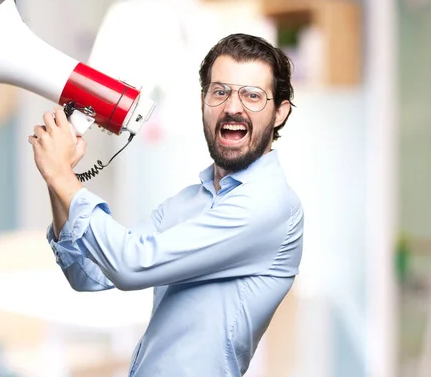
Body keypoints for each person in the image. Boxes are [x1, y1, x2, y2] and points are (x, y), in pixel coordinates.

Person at [28, 33, 304, 376]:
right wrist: (59, 176)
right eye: (220, 92)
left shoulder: (269, 205)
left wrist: (61, 177)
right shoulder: (189, 202)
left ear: (280, 113)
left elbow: (130, 265)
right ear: (204, 102)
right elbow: (88, 274)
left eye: (252, 96)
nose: (233, 107)